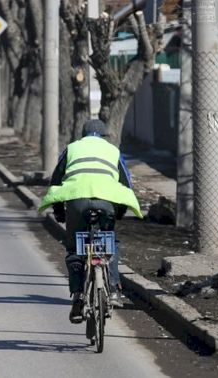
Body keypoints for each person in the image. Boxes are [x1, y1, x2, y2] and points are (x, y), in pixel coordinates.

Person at [38, 119, 143, 323]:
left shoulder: (72, 149)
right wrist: (119, 211)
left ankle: (78, 296)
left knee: (75, 249)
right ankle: (113, 289)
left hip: (77, 202)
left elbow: (56, 181)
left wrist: (59, 211)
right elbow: (125, 183)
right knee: (110, 242)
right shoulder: (113, 150)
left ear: (83, 135)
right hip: (106, 202)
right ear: (103, 136)